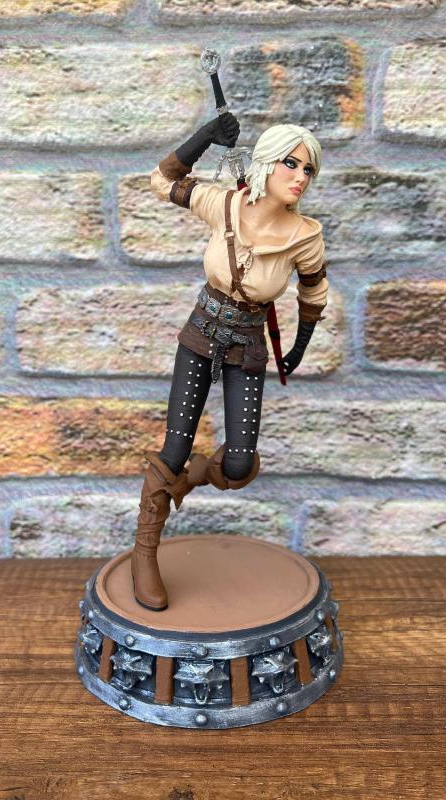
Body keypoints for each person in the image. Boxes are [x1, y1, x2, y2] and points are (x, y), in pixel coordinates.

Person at [131, 112, 329, 611]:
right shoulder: (225, 204)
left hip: (247, 344)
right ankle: (144, 552)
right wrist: (204, 136)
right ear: (267, 162)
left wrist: (299, 345)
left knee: (239, 464)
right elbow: (162, 181)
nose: (300, 177)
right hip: (201, 332)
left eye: (308, 169)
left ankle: (190, 479)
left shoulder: (305, 235)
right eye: (290, 164)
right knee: (173, 449)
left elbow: (313, 293)